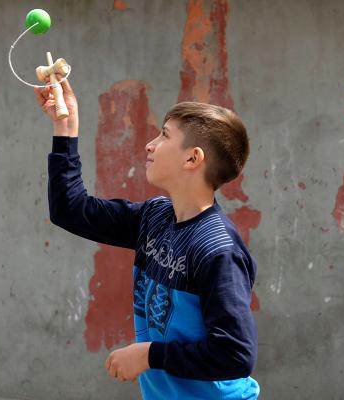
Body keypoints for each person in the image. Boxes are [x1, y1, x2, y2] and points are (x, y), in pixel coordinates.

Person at [35, 78, 260, 400]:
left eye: (164, 135)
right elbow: (70, 210)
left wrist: (148, 355)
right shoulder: (154, 217)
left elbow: (235, 354)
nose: (149, 145)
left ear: (192, 159)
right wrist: (65, 125)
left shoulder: (217, 250)